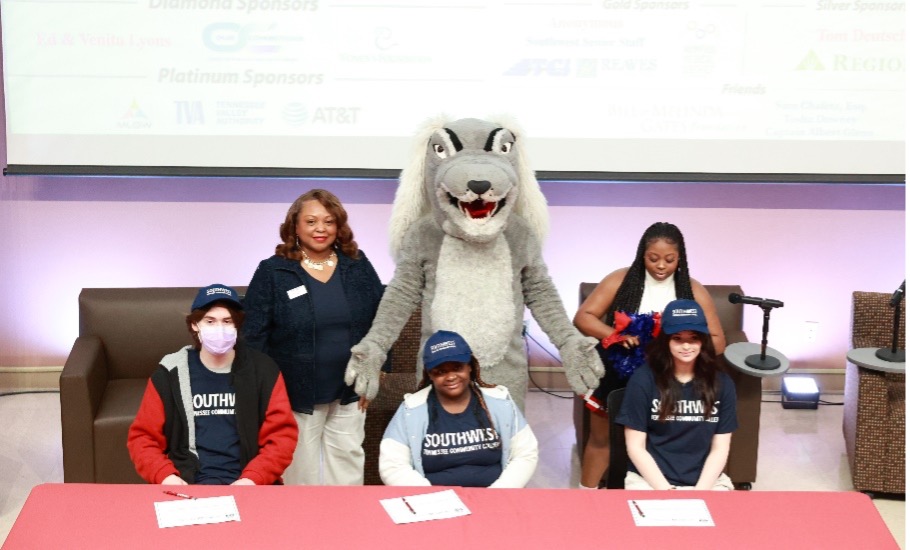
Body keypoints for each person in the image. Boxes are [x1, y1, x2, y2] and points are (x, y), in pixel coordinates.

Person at [242, 189, 386, 486]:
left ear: (339, 226)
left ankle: (345, 526)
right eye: (311, 221)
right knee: (299, 472)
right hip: (294, 393)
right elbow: (253, 334)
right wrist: (266, 387)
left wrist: (378, 368)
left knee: (347, 466)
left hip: (350, 389)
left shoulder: (357, 265)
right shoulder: (273, 271)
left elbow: (382, 320)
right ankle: (303, 529)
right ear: (294, 226)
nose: (320, 229)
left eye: (328, 221)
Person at [573, 222, 725, 489]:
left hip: (667, 376)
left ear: (681, 258)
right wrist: (614, 335)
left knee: (652, 439)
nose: (661, 266)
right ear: (642, 254)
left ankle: (658, 488)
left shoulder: (693, 290)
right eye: (653, 258)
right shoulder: (620, 279)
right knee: (601, 438)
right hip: (617, 369)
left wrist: (677, 348)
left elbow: (718, 341)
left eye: (670, 259)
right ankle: (585, 495)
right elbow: (583, 317)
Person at [127, 284, 297, 485]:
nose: (220, 329)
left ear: (237, 326)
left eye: (227, 321)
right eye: (210, 321)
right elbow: (143, 438)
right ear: (194, 325)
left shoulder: (263, 370)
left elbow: (282, 437)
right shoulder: (170, 373)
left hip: (249, 484)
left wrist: (253, 479)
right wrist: (165, 476)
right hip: (188, 483)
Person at [379, 330, 538, 488]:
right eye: (441, 371)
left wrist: (499, 493)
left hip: (496, 497)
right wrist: (430, 497)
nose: (450, 377)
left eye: (457, 368)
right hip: (433, 502)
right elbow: (393, 466)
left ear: (470, 366)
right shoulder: (411, 409)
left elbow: (525, 454)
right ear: (430, 374)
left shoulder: (500, 402)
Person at [615, 299, 737, 490]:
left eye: (693, 338)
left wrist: (700, 492)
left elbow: (720, 448)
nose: (686, 346)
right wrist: (667, 492)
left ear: (703, 341)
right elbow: (635, 447)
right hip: (649, 480)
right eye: (678, 338)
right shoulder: (643, 380)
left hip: (707, 482)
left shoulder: (722, 383)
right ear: (666, 341)